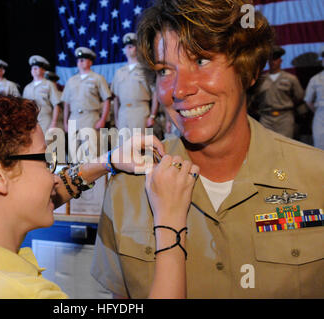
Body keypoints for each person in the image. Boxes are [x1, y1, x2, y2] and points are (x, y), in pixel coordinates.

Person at [91, 0, 324, 299]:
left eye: (201, 60)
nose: (179, 89)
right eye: (164, 70)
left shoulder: (316, 178)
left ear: (249, 70)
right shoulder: (129, 186)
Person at [0, 92, 198, 298]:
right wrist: (170, 220)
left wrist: (107, 161)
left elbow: (16, 201)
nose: (53, 175)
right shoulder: (26, 294)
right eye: (45, 160)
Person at [61, 47, 112, 163]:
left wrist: (103, 119)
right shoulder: (71, 80)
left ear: (90, 62)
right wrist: (65, 122)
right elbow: (66, 103)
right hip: (74, 118)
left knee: (91, 154)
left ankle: (95, 181)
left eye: (83, 59)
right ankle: (77, 180)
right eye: (79, 60)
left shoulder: (97, 78)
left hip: (91, 117)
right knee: (74, 155)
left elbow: (107, 100)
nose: (80, 62)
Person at [252, 46, 305, 138]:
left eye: (276, 59)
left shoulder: (291, 79)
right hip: (266, 118)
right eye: (271, 59)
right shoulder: (261, 80)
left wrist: (302, 117)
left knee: (286, 146)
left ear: (281, 60)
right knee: (266, 145)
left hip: (285, 118)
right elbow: (253, 99)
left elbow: (300, 97)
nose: (273, 62)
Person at [111, 33, 157, 137]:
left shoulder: (146, 69)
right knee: (123, 147)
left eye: (131, 46)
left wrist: (152, 116)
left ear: (138, 48)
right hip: (123, 113)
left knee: (140, 147)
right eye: (127, 46)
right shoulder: (119, 72)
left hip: (140, 112)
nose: (129, 49)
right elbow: (116, 99)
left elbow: (155, 94)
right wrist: (116, 119)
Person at [22, 55, 62, 134]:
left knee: (47, 144)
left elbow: (56, 105)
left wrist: (53, 123)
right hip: (31, 122)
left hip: (46, 120)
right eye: (32, 68)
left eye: (36, 68)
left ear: (43, 70)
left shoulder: (49, 84)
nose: (34, 70)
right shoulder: (27, 87)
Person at [304, 48, 324, 149]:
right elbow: (308, 100)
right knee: (320, 147)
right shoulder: (315, 79)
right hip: (320, 116)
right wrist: (318, 112)